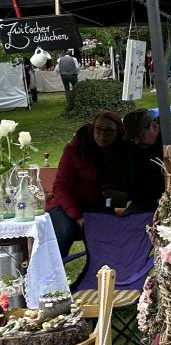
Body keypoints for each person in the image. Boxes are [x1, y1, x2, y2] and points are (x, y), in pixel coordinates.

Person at [46, 110, 128, 257]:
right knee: (66, 230)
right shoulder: (74, 150)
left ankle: (100, 273)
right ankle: (52, 273)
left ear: (118, 133)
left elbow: (121, 184)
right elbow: (61, 187)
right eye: (98, 129)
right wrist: (79, 217)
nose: (102, 135)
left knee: (109, 232)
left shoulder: (123, 152)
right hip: (63, 205)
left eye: (109, 130)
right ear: (92, 129)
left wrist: (115, 208)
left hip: (97, 205)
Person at [119, 110, 171, 212]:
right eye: (133, 138)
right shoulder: (135, 147)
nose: (137, 141)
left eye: (140, 135)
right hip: (144, 201)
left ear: (154, 126)